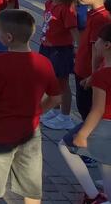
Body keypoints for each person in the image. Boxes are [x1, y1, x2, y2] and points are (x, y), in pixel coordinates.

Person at [0, 9, 62, 204]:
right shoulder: (44, 63)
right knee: (30, 185)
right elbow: (56, 98)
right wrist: (38, 110)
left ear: (8, 37)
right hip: (30, 131)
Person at [58, 23, 111, 204]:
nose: (94, 42)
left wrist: (82, 133)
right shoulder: (101, 73)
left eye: (98, 40)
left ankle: (93, 195)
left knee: (66, 147)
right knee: (105, 159)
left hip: (103, 124)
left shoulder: (102, 75)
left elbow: (97, 109)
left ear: (107, 45)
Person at [38, 0, 79, 130]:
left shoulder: (65, 9)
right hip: (47, 47)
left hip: (60, 50)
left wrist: (78, 48)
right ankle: (55, 109)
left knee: (62, 83)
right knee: (50, 81)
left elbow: (74, 31)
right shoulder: (49, 4)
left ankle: (65, 116)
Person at [75, 0, 111, 122]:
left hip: (87, 73)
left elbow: (97, 52)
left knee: (87, 111)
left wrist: (92, 76)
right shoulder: (94, 14)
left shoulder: (101, 18)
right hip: (82, 69)